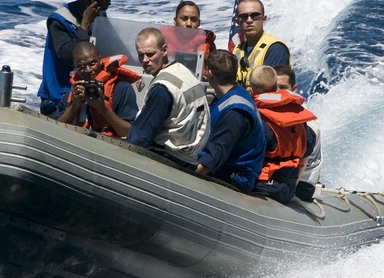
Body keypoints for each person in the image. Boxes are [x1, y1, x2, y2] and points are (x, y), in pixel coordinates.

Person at [38, 0, 120, 117]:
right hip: (60, 97)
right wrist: (85, 25)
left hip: (88, 92)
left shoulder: (100, 16)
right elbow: (67, 55)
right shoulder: (59, 21)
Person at [125, 27, 210, 163]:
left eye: (150, 54)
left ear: (164, 50)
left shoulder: (162, 88)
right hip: (190, 155)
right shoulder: (184, 72)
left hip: (170, 158)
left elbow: (140, 138)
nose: (145, 60)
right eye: (141, 55)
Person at [195, 50, 266, 192]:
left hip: (233, 179)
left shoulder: (234, 113)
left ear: (209, 73)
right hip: (220, 167)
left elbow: (213, 159)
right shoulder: (230, 95)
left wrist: (185, 176)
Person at [249, 65, 317, 203]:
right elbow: (306, 151)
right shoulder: (301, 120)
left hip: (261, 186)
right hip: (287, 187)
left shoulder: (257, 118)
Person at [56, 41, 140, 138]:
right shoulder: (73, 94)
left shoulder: (121, 89)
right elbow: (55, 129)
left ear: (100, 60)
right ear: (75, 68)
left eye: (92, 63)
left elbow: (130, 134)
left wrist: (102, 108)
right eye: (81, 67)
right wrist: (74, 106)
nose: (88, 70)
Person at [276, 65, 322, 188]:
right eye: (274, 87)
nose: (278, 92)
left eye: (283, 87)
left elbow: (303, 161)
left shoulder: (308, 125)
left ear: (294, 89)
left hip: (301, 183)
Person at [231, 0, 291, 87]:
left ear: (264, 19)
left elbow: (269, 88)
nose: (249, 20)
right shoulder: (237, 50)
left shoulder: (275, 48)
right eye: (244, 16)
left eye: (255, 16)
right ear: (238, 21)